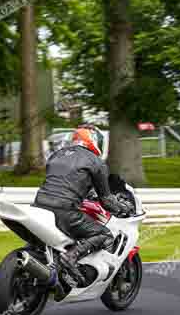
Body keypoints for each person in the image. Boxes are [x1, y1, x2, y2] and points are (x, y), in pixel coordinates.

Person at [33, 125, 131, 296]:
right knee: (105, 234)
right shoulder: (96, 162)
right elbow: (107, 201)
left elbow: (65, 180)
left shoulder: (56, 155)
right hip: (64, 211)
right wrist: (122, 207)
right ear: (94, 141)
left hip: (39, 206)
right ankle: (71, 256)